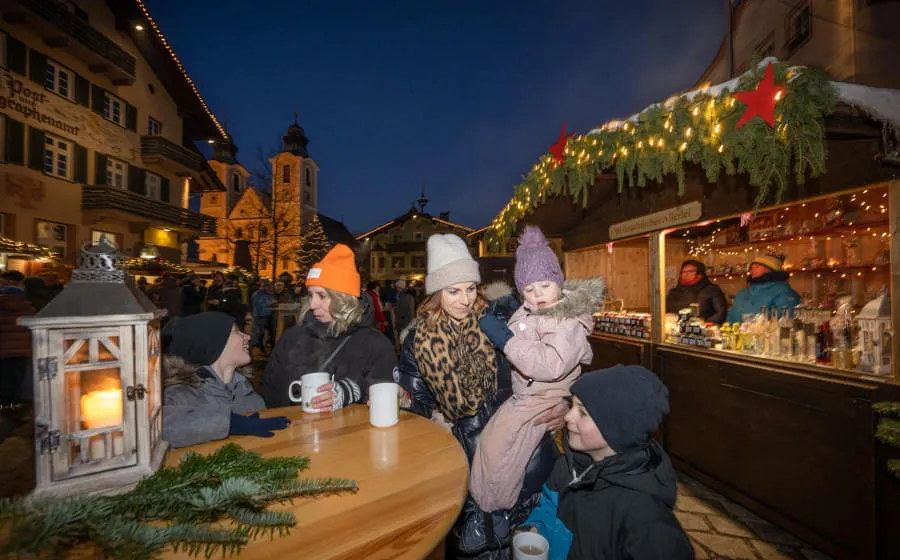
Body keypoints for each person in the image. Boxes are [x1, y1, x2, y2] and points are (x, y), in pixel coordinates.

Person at [396, 233, 566, 559]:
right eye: (453, 291)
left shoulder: (504, 321)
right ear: (435, 292)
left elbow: (555, 361)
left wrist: (565, 402)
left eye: (470, 288)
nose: (464, 299)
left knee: (524, 542)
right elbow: (414, 404)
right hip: (464, 463)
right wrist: (400, 408)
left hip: (525, 453)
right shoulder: (419, 339)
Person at [470, 226, 605, 513]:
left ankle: (492, 509)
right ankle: (487, 504)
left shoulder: (566, 320)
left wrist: (505, 340)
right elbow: (517, 345)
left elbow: (549, 365)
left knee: (501, 443)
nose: (538, 294)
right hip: (527, 393)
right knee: (491, 441)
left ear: (558, 282)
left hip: (546, 394)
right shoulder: (527, 312)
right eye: (529, 289)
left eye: (544, 285)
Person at [519, 365, 694, 560]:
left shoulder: (645, 516)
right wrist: (538, 528)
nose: (568, 416)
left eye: (583, 412)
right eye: (572, 406)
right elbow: (549, 506)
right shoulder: (567, 467)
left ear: (616, 428)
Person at [260, 244, 396, 409]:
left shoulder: (375, 345)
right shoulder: (291, 338)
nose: (312, 304)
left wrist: (350, 393)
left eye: (322, 296)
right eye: (310, 294)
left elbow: (388, 400)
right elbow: (269, 393)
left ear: (344, 299)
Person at [161, 311, 289, 449]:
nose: (247, 336)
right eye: (236, 332)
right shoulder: (180, 393)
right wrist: (231, 423)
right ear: (213, 343)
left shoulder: (242, 387)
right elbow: (162, 428)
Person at [726, 254, 800, 323]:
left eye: (757, 267)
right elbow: (730, 317)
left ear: (770, 269)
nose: (752, 271)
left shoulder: (784, 292)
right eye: (751, 268)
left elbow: (786, 320)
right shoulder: (742, 292)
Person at [0, 270, 36, 404]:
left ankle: (5, 403)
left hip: (3, 349)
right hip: (22, 350)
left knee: (4, 377)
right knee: (18, 378)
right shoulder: (28, 307)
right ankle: (15, 404)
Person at [666, 260, 727, 324]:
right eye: (683, 272)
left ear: (700, 274)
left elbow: (721, 312)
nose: (685, 274)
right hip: (676, 329)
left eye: (690, 271)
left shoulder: (712, 290)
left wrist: (705, 324)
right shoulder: (674, 292)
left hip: (704, 330)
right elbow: (666, 311)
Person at [251, 280, 277, 354]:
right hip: (260, 316)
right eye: (266, 286)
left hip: (268, 315)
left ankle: (267, 349)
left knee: (270, 333)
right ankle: (257, 349)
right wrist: (271, 303)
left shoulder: (269, 294)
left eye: (268, 286)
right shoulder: (257, 294)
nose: (268, 287)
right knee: (259, 333)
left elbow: (274, 301)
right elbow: (260, 303)